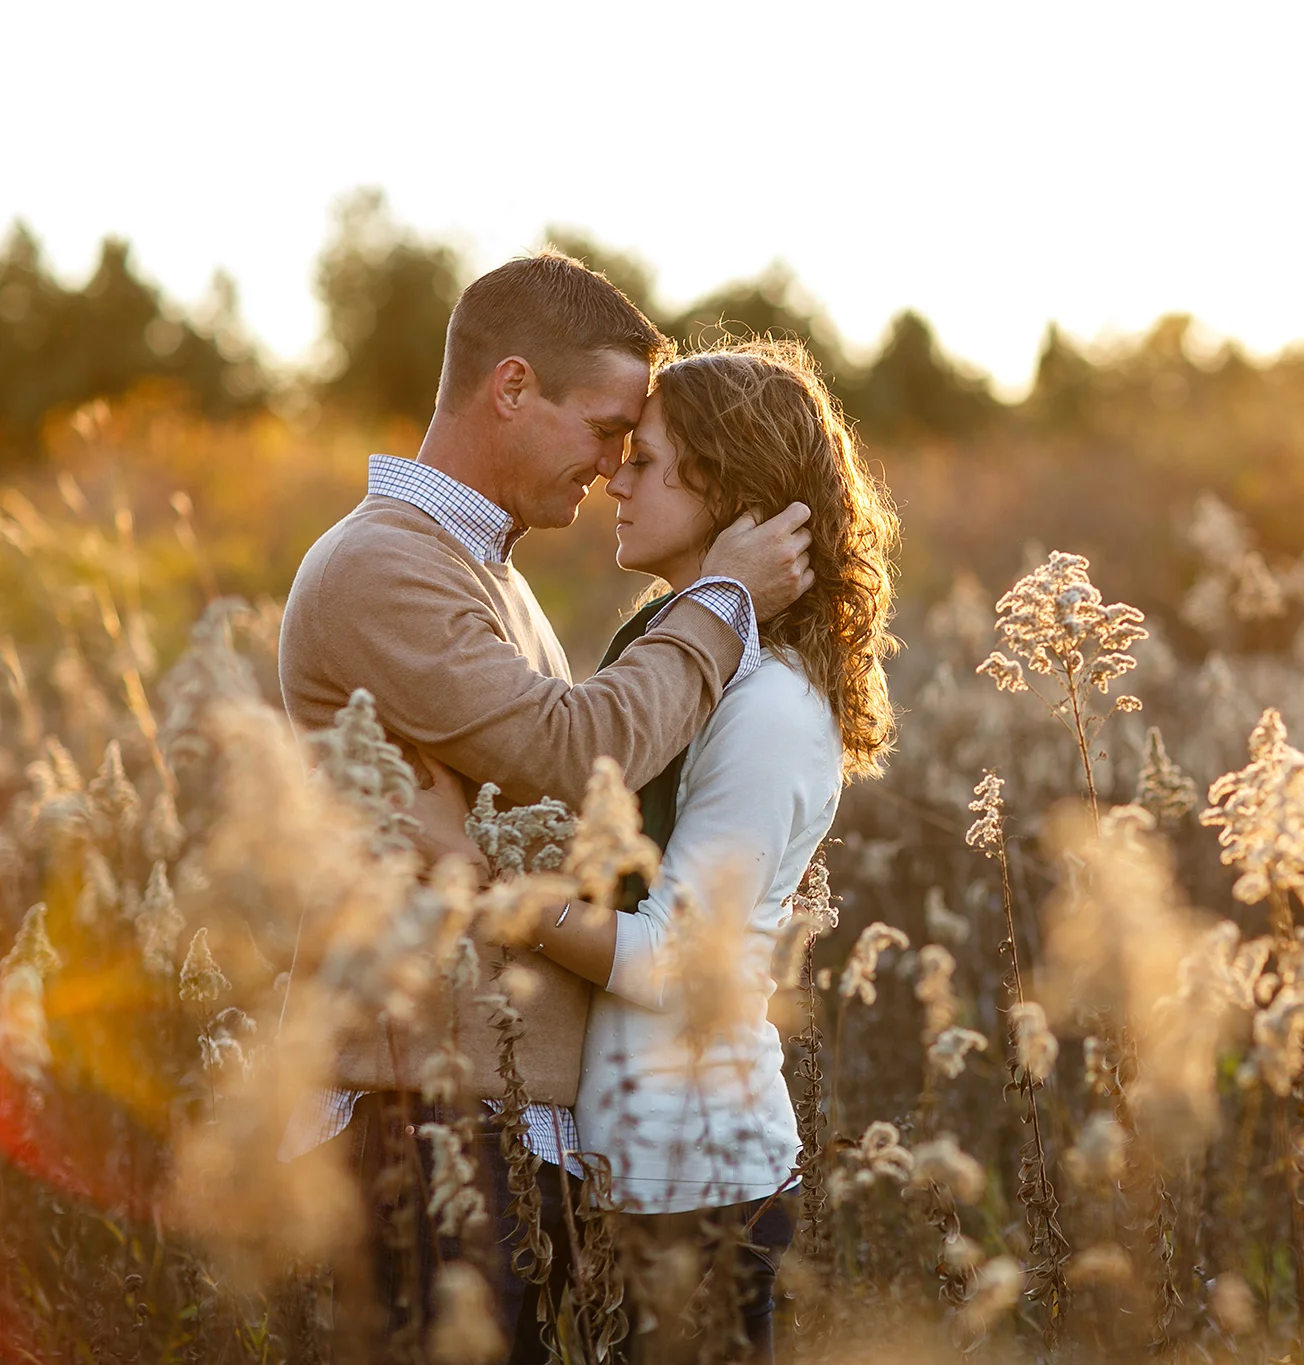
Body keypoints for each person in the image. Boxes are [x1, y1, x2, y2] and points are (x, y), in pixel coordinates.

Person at [274, 251, 814, 1364]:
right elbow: (578, 754)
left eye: (635, 447)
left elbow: (555, 823)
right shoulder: (385, 569)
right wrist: (723, 601)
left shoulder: (489, 575)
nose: (615, 465)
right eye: (607, 427)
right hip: (422, 1117)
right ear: (511, 388)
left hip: (495, 1121)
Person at [422, 337, 897, 1363]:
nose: (613, 480)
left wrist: (501, 894)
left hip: (698, 1175)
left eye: (643, 460)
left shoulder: (769, 705)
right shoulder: (677, 652)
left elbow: (686, 959)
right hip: (628, 1162)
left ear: (723, 486)